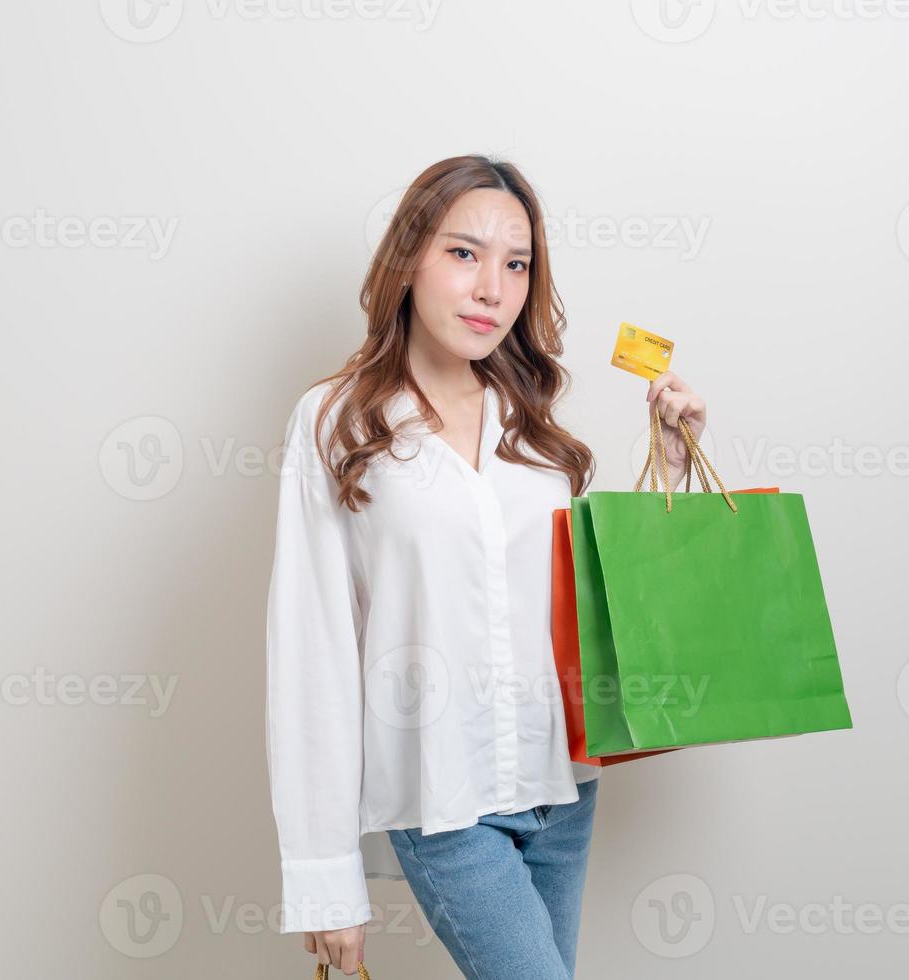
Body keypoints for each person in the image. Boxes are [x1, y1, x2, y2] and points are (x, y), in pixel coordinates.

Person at [264, 154, 710, 978]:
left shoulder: (535, 429)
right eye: (464, 254)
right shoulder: (334, 421)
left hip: (564, 789)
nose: (491, 289)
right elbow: (311, 650)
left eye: (516, 264)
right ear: (408, 261)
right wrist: (326, 881)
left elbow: (600, 600)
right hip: (445, 801)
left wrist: (673, 465)